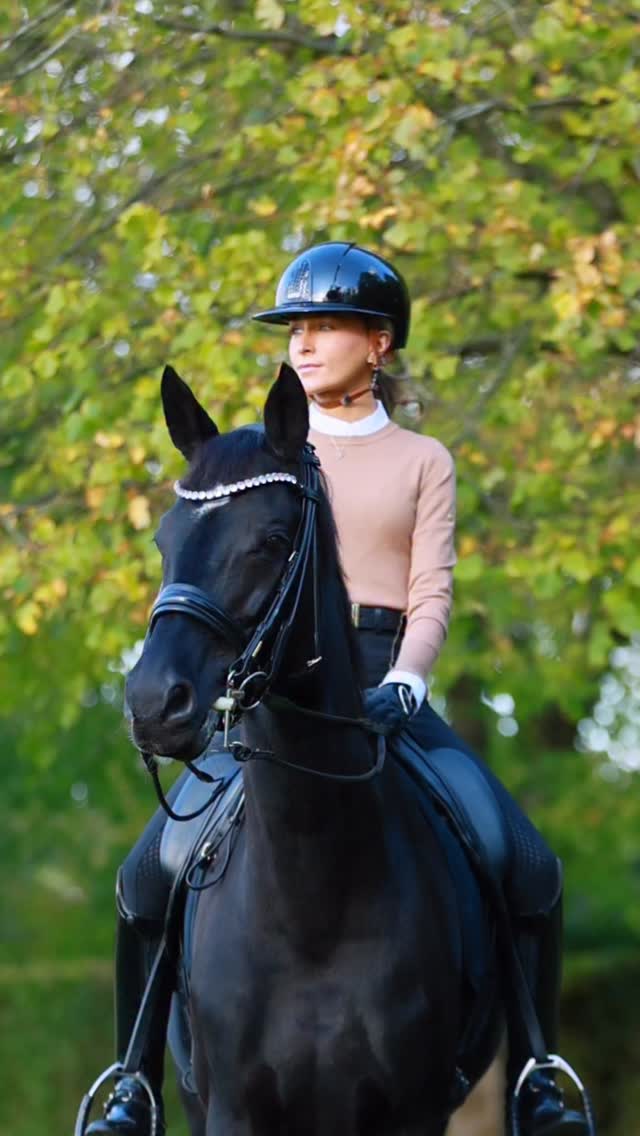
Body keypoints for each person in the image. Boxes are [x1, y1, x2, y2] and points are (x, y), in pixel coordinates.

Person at [87, 242, 590, 1136]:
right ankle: (133, 1083)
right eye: (295, 330)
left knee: (524, 858)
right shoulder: (264, 458)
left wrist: (407, 676)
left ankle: (536, 1080)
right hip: (279, 694)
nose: (305, 344)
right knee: (144, 872)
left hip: (388, 683)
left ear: (381, 345)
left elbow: (430, 588)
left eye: (325, 327)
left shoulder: (422, 459)